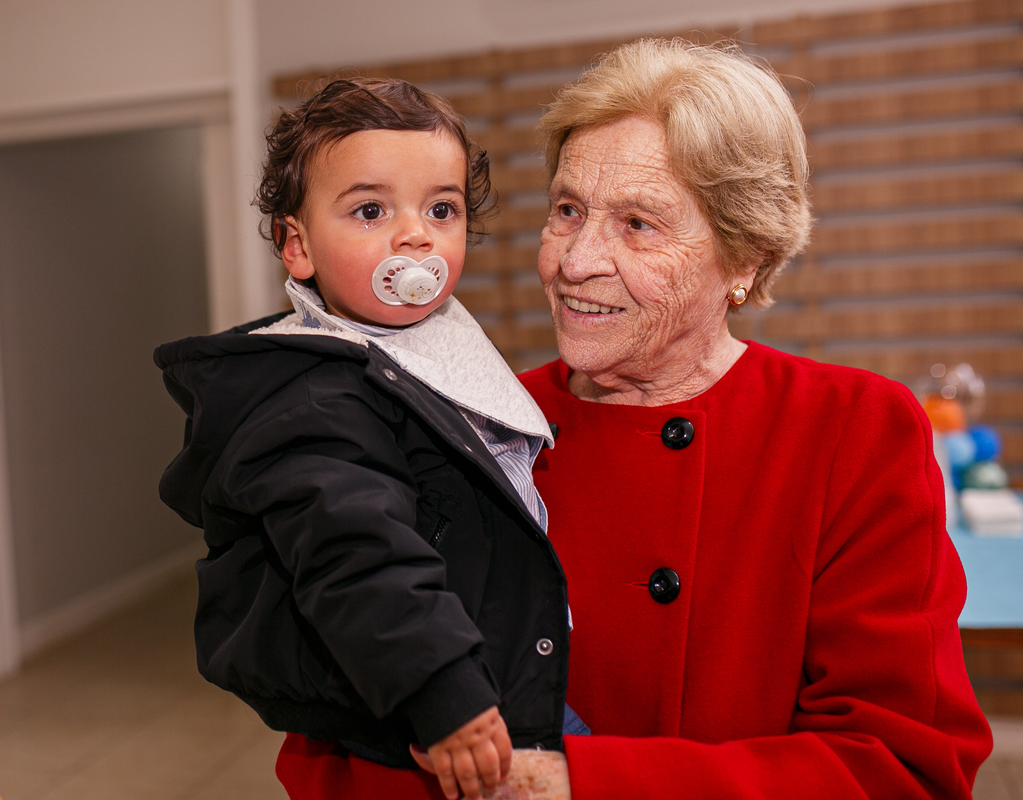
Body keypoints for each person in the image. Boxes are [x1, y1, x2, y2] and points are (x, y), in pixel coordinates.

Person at [279, 39, 996, 799]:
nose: (575, 260)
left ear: (745, 256)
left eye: (638, 224)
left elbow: (900, 768)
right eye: (568, 211)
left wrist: (565, 786)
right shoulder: (455, 419)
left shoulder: (852, 430)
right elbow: (327, 743)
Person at [154, 78, 574, 800]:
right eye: (371, 209)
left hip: (496, 671)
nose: (415, 234)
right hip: (429, 704)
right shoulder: (312, 394)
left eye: (441, 208)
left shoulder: (418, 343)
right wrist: (443, 690)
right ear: (297, 246)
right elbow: (357, 557)